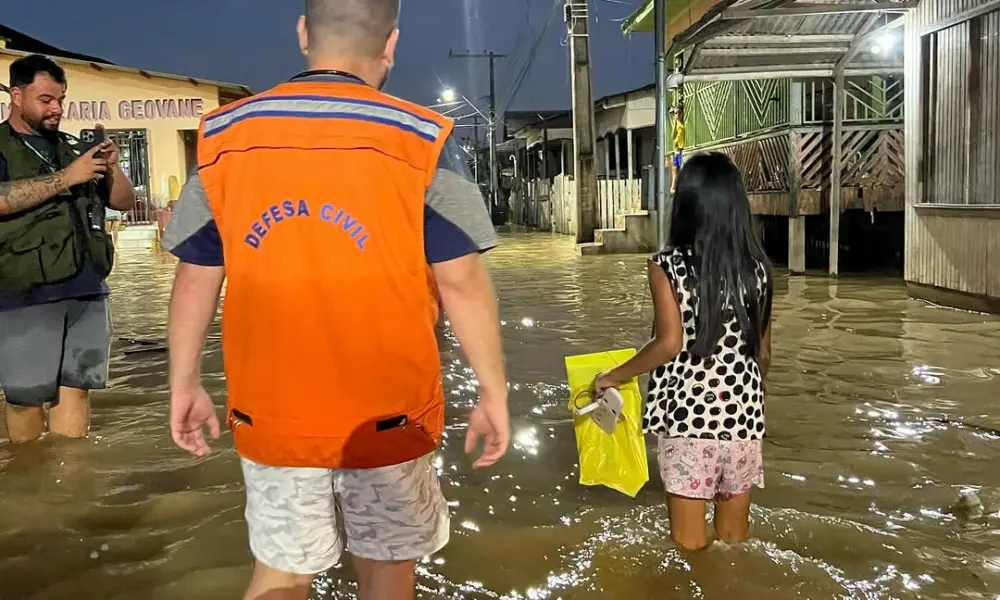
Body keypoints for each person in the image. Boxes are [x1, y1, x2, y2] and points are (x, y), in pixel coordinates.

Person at [161, 1, 510, 599]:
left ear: (302, 33)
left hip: (270, 413)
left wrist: (183, 385)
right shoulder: (423, 140)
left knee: (282, 573)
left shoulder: (223, 138)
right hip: (390, 413)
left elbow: (196, 278)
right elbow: (461, 284)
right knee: (387, 569)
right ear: (391, 44)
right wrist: (493, 393)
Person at [592, 152, 772, 551]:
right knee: (735, 543)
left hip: (690, 421)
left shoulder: (668, 265)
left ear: (687, 204)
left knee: (689, 547)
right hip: (744, 420)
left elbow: (669, 344)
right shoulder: (757, 268)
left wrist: (613, 376)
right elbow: (763, 354)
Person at [0, 54, 136, 443]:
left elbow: (123, 202)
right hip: (25, 293)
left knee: (77, 387)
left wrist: (111, 167)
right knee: (26, 398)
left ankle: (70, 487)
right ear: (16, 95)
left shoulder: (72, 147)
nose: (56, 108)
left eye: (61, 99)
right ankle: (30, 486)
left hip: (87, 288)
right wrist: (66, 178)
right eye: (46, 99)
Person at [669, 104, 685, 194]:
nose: (677, 115)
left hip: (682, 148)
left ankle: (677, 186)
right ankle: (674, 186)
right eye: (676, 113)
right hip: (677, 149)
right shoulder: (676, 124)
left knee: (679, 167)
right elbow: (672, 135)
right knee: (675, 168)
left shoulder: (682, 123)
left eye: (679, 113)